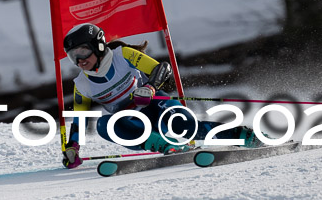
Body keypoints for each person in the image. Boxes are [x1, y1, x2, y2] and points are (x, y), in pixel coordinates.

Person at [61, 23, 261, 169]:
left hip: (154, 104)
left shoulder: (123, 55)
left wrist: (149, 88)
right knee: (104, 125)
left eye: (83, 52)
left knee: (185, 126)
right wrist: (73, 148)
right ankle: (166, 145)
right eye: (73, 56)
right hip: (131, 122)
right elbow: (79, 120)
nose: (79, 60)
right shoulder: (82, 84)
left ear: (99, 45)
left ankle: (245, 136)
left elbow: (161, 68)